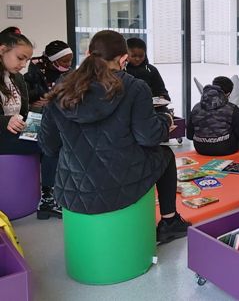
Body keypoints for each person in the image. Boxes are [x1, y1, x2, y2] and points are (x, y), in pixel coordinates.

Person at [38, 30, 190, 243]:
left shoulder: (62, 87)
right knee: (165, 155)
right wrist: (165, 120)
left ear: (88, 52)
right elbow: (148, 138)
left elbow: (49, 146)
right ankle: (169, 221)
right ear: (123, 59)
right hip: (122, 181)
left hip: (73, 188)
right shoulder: (135, 87)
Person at [0, 32, 61, 219]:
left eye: (26, 59)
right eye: (20, 58)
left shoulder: (17, 78)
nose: (23, 64)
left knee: (55, 131)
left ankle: (49, 196)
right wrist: (6, 121)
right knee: (51, 141)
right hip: (3, 133)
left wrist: (34, 120)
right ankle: (48, 199)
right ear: (2, 50)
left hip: (15, 130)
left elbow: (23, 112)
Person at [187, 76, 239, 156]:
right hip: (226, 148)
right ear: (228, 94)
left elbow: (189, 135)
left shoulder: (196, 107)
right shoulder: (231, 108)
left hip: (200, 148)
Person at [24, 40, 73, 111]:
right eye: (65, 61)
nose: (69, 64)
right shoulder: (33, 74)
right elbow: (24, 97)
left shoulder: (71, 75)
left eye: (70, 60)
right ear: (52, 60)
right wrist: (37, 96)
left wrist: (51, 103)